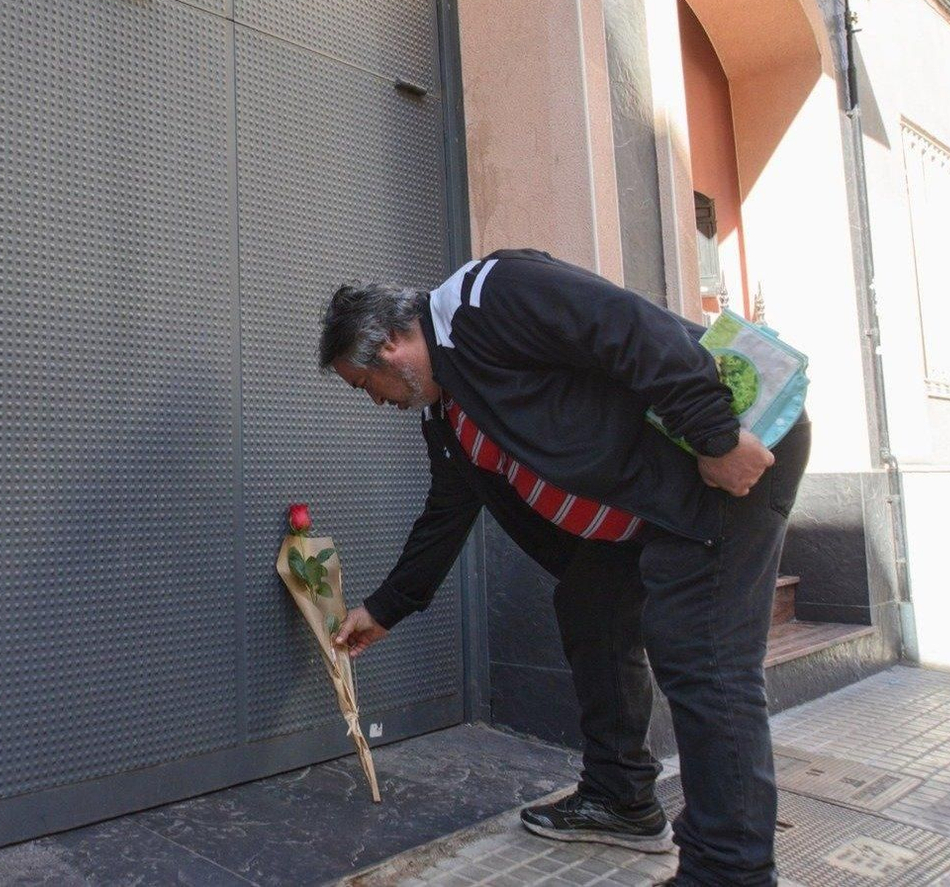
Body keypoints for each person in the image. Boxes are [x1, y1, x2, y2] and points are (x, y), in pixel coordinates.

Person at [320, 249, 809, 887]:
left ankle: (729, 872)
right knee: (590, 606)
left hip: (723, 460)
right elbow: (446, 514)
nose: (376, 403)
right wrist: (385, 610)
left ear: (388, 345)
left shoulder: (488, 294)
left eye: (364, 386)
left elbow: (631, 326)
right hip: (640, 511)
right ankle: (623, 798)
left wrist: (715, 437)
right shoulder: (449, 413)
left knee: (704, 660)